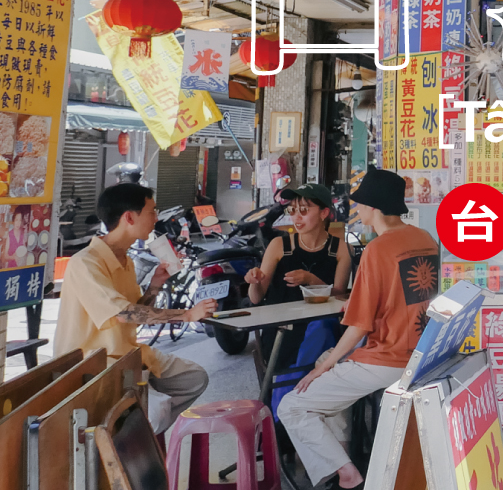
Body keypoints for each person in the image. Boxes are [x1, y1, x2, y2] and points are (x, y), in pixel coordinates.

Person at [277, 167, 439, 490]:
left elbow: (359, 326)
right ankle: (343, 456)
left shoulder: (377, 249)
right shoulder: (425, 239)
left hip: (387, 360)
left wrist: (324, 367)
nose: (357, 209)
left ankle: (347, 474)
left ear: (373, 207)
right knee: (327, 362)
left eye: (360, 204)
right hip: (421, 356)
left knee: (291, 406)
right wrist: (330, 360)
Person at [54, 182, 218, 434]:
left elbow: (135, 314)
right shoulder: (85, 263)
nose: (156, 217)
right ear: (129, 217)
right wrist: (186, 315)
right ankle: (130, 431)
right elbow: (122, 314)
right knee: (155, 414)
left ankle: (134, 426)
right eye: (151, 211)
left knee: (194, 378)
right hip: (96, 367)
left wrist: (155, 286)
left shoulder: (126, 260)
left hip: (130, 357)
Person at [244, 182, 351, 369]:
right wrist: (254, 282)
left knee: (322, 334)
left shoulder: (341, 249)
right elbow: (256, 298)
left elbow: (340, 298)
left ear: (324, 213)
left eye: (304, 210)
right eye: (292, 210)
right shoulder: (279, 245)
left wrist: (311, 280)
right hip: (281, 331)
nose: (296, 217)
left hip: (321, 331)